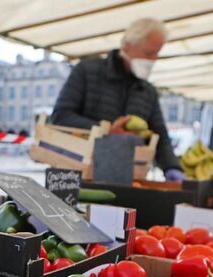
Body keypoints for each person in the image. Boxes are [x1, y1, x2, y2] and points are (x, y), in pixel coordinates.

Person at [50, 18, 185, 181]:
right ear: (128, 45)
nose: (153, 60)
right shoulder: (87, 71)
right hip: (74, 175)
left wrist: (172, 167)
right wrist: (105, 130)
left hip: (122, 180)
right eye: (149, 53)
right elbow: (60, 116)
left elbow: (159, 135)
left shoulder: (148, 91)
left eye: (157, 54)